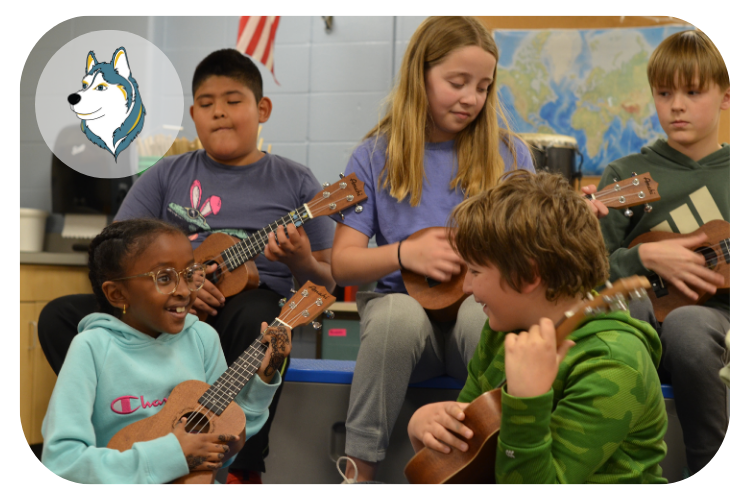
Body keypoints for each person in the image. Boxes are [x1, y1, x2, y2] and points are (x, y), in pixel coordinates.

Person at [37, 48, 335, 483]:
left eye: (233, 100)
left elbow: (327, 278)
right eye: (206, 104)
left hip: (242, 306)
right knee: (61, 315)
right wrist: (181, 284)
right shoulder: (164, 173)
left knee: (257, 316)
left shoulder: (296, 181)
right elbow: (114, 252)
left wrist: (301, 259)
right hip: (158, 296)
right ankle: (128, 429)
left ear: (262, 108)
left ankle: (239, 463)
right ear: (193, 113)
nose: (219, 113)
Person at [330, 16, 534, 483]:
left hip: (479, 319)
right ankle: (357, 472)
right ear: (419, 74)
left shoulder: (511, 155)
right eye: (457, 82)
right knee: (395, 316)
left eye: (483, 87)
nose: (471, 98)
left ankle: (509, 467)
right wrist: (405, 254)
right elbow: (343, 262)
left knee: (480, 316)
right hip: (406, 333)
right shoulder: (373, 155)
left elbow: (531, 255)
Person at [407, 170, 668, 483]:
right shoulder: (504, 329)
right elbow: (469, 459)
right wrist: (423, 426)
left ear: (529, 275)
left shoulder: (615, 364)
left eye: (475, 271)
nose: (465, 287)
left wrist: (526, 403)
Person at [41, 219, 291, 483]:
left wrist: (262, 380)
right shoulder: (90, 348)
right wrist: (173, 454)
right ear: (117, 294)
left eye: (189, 274)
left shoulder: (202, 338)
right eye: (164, 278)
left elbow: (223, 448)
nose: (184, 291)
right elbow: (62, 462)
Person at [597, 29, 729, 475]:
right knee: (659, 324)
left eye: (694, 92)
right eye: (664, 92)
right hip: (643, 319)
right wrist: (643, 259)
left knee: (692, 324)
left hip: (725, 321)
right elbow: (586, 268)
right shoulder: (626, 175)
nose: (677, 105)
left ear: (726, 96)